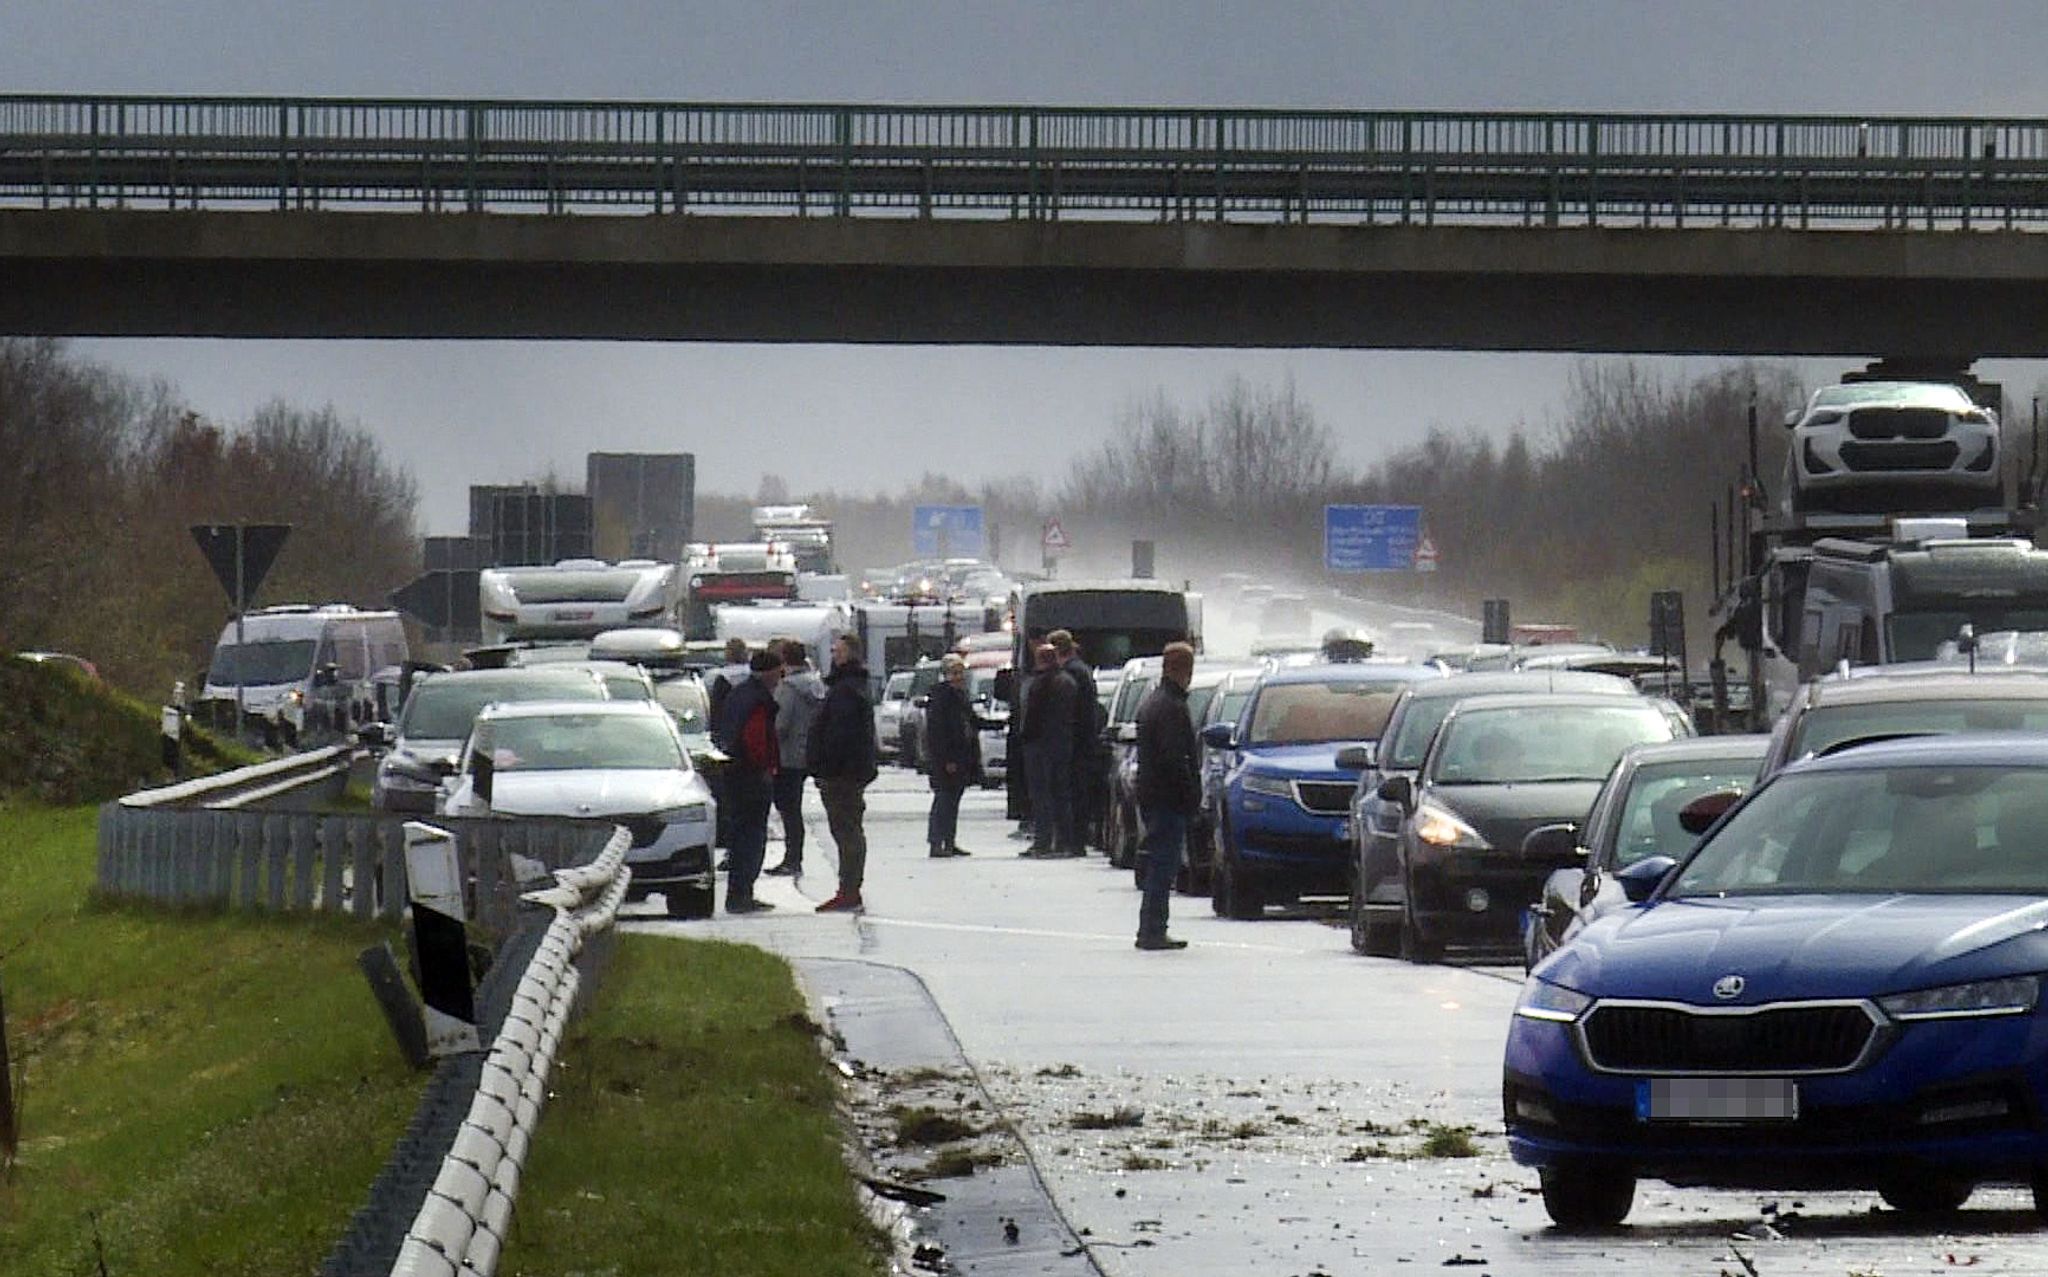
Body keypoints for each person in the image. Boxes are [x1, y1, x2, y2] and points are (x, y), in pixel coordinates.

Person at [1133, 641, 1201, 950]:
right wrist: (1189, 795)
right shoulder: (1171, 707)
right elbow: (1175, 758)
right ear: (1183, 670)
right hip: (1166, 798)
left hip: (1154, 794)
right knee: (1164, 864)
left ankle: (1152, 926)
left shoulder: (1154, 702)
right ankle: (1153, 929)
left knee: (1159, 862)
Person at [810, 632, 879, 912]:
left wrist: (826, 766)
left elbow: (840, 735)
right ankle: (849, 887)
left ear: (851, 654)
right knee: (848, 830)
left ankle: (849, 889)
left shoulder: (846, 691)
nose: (834, 656)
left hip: (842, 774)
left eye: (838, 652)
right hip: (847, 772)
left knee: (846, 831)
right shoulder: (850, 687)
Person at [712, 648, 782, 914]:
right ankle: (742, 894)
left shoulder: (738, 694)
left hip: (734, 774)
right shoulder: (758, 701)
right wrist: (765, 767)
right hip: (751, 777)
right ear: (771, 672)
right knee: (751, 836)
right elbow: (755, 740)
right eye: (778, 672)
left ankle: (738, 892)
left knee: (740, 834)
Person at [766, 637, 825, 877]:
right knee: (794, 808)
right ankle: (794, 857)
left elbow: (781, 723)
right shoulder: (815, 684)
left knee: (788, 809)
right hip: (809, 751)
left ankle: (792, 858)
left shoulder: (788, 687)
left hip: (787, 755)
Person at [1018, 641, 1080, 858]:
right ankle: (1064, 841)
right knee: (1061, 794)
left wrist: (1025, 737)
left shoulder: (1040, 683)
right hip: (1063, 743)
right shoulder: (1068, 682)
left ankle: (1043, 841)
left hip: (1040, 746)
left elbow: (1033, 716)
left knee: (1042, 795)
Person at [1049, 629, 1108, 851]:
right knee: (1076, 791)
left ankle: (1073, 840)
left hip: (1075, 742)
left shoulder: (1071, 673)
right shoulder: (1081, 670)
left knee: (1072, 792)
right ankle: (1075, 839)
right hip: (1082, 740)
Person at [923, 653, 986, 858]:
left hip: (962, 756)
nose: (959, 677)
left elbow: (973, 721)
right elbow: (938, 732)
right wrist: (946, 759)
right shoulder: (941, 698)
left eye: (961, 673)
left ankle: (949, 841)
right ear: (946, 675)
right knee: (943, 800)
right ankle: (936, 842)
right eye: (954, 673)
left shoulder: (960, 696)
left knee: (953, 800)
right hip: (947, 759)